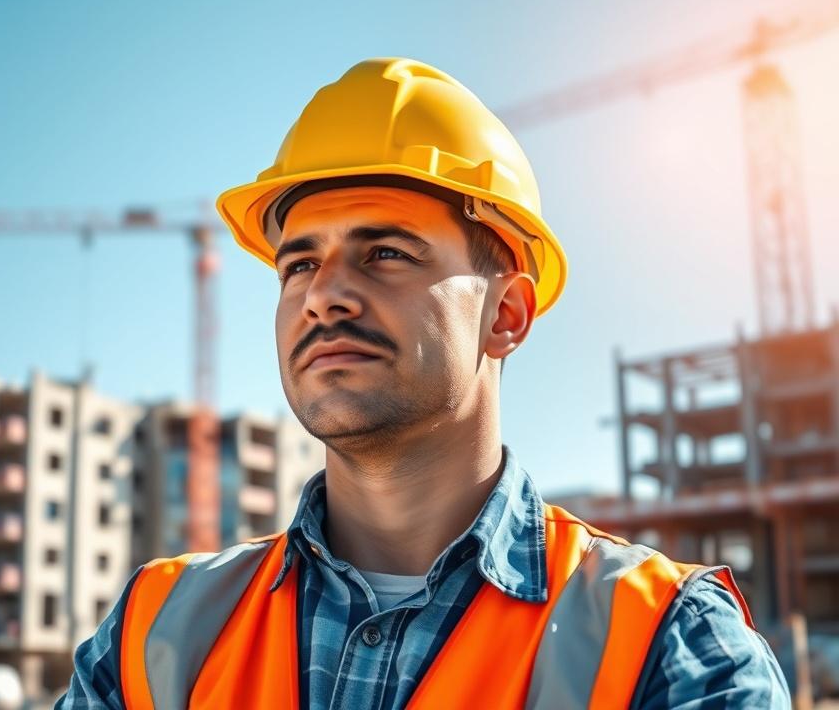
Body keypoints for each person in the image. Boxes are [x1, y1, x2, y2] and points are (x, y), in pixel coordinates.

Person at [57, 58, 789, 709]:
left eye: (385, 251)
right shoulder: (152, 635)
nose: (323, 296)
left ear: (504, 314)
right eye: (299, 264)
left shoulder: (670, 648)